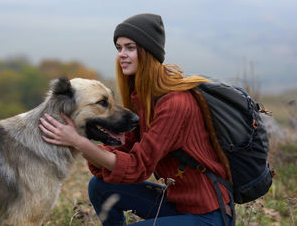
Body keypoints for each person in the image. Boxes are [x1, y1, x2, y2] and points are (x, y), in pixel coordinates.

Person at [39, 13, 233, 225]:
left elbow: (137, 167)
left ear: (148, 51)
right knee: (99, 187)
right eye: (119, 48)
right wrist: (87, 135)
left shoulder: (175, 104)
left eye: (130, 47)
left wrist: (79, 143)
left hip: (208, 216)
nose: (121, 54)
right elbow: (127, 151)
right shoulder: (144, 97)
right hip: (176, 204)